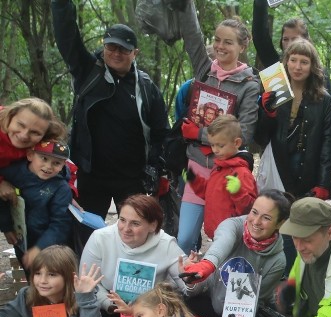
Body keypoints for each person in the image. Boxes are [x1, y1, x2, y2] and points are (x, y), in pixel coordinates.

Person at [51, 0, 169, 223]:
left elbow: (160, 131)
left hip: (131, 177)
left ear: (134, 53)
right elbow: (67, 35)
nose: (116, 53)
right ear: (103, 46)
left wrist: (157, 168)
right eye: (111, 47)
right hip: (90, 174)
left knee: (132, 233)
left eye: (123, 49)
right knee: (85, 233)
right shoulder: (88, 71)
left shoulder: (145, 86)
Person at [175, 0, 261, 254]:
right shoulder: (205, 70)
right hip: (196, 166)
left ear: (242, 46)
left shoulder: (249, 83)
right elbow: (192, 37)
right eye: (217, 40)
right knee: (184, 238)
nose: (220, 46)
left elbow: (245, 133)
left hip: (226, 174)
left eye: (228, 42)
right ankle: (185, 286)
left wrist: (200, 134)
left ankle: (219, 286)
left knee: (222, 239)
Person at [254, 39, 331, 273]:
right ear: (285, 62)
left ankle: (296, 278)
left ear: (313, 66)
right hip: (278, 168)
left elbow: (329, 143)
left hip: (307, 174)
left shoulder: (324, 100)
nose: (298, 66)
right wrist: (267, 112)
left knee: (300, 227)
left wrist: (323, 183)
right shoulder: (274, 93)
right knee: (276, 222)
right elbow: (260, 138)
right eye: (293, 60)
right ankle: (274, 275)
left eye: (304, 61)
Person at [179, 191, 290, 317]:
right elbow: (222, 243)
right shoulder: (233, 226)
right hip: (211, 299)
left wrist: (240, 316)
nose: (256, 221)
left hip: (238, 309)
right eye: (254, 212)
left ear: (280, 223)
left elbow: (257, 300)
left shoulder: (278, 260)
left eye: (266, 218)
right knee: (187, 307)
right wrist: (207, 265)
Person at [79, 195, 186, 317]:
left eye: (135, 223)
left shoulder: (166, 244)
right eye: (122, 220)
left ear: (152, 225)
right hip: (110, 304)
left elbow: (189, 288)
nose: (126, 228)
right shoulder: (100, 238)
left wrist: (192, 276)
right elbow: (87, 282)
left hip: (151, 309)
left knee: (195, 306)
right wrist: (112, 305)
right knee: (89, 311)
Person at [0, 140, 74, 269]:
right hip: (21, 239)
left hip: (49, 246)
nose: (48, 166)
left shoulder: (61, 188)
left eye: (56, 163)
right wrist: (6, 227)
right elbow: (2, 201)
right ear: (30, 155)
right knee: (31, 276)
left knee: (48, 278)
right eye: (44, 158)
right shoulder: (11, 173)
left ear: (64, 165)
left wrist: (40, 248)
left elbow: (60, 223)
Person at [183, 115, 256, 239]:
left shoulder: (242, 172)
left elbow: (251, 209)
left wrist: (238, 192)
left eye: (220, 145)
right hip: (217, 233)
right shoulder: (219, 167)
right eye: (212, 145)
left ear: (237, 143)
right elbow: (209, 192)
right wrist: (194, 181)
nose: (215, 150)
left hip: (232, 235)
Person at [251, 2, 331, 95]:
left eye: (294, 39)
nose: (290, 44)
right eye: (285, 39)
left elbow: (329, 107)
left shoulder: (320, 74)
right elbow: (260, 37)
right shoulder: (275, 67)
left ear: (306, 40)